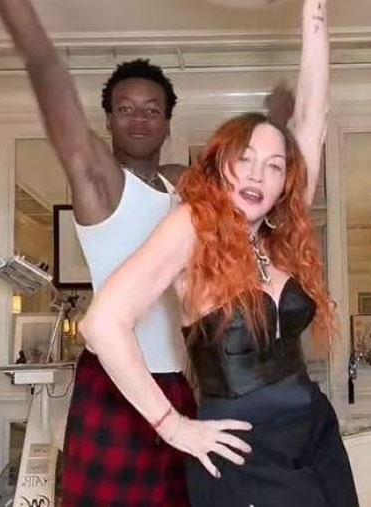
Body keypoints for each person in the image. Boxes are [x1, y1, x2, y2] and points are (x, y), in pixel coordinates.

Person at [0, 0, 328, 504]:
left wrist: (275, 128)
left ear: (169, 123)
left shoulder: (183, 188)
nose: (139, 119)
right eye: (125, 108)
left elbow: (248, 189)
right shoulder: (100, 182)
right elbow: (50, 78)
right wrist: (25, 27)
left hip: (187, 382)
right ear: (108, 120)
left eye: (152, 110)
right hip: (116, 383)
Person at [78, 2, 353, 505]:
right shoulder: (191, 227)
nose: (257, 175)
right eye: (244, 159)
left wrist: (315, 12)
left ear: (284, 182)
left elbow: (314, 117)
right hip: (238, 450)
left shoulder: (279, 232)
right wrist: (172, 425)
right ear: (219, 166)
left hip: (314, 435)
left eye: (274, 166)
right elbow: (102, 324)